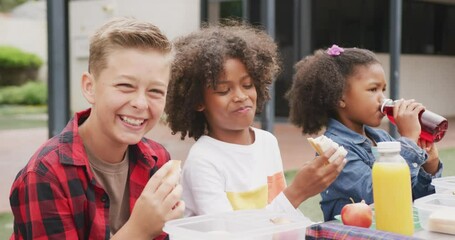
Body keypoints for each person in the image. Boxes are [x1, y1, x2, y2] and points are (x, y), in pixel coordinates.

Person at [9, 17, 184, 239]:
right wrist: (139, 230)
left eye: (156, 91)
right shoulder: (45, 175)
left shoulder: (157, 159)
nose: (141, 103)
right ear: (89, 87)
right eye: (125, 86)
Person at [164, 23, 346, 219]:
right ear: (198, 101)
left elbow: (280, 217)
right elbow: (229, 232)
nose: (241, 96)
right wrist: (297, 192)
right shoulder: (203, 161)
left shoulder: (267, 142)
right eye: (224, 90)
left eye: (247, 85)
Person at [286, 44, 443, 221]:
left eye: (383, 90)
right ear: (340, 98)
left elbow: (414, 199)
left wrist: (430, 165)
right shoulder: (334, 149)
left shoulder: (382, 139)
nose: (383, 99)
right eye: (372, 89)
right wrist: (408, 141)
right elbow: (376, 197)